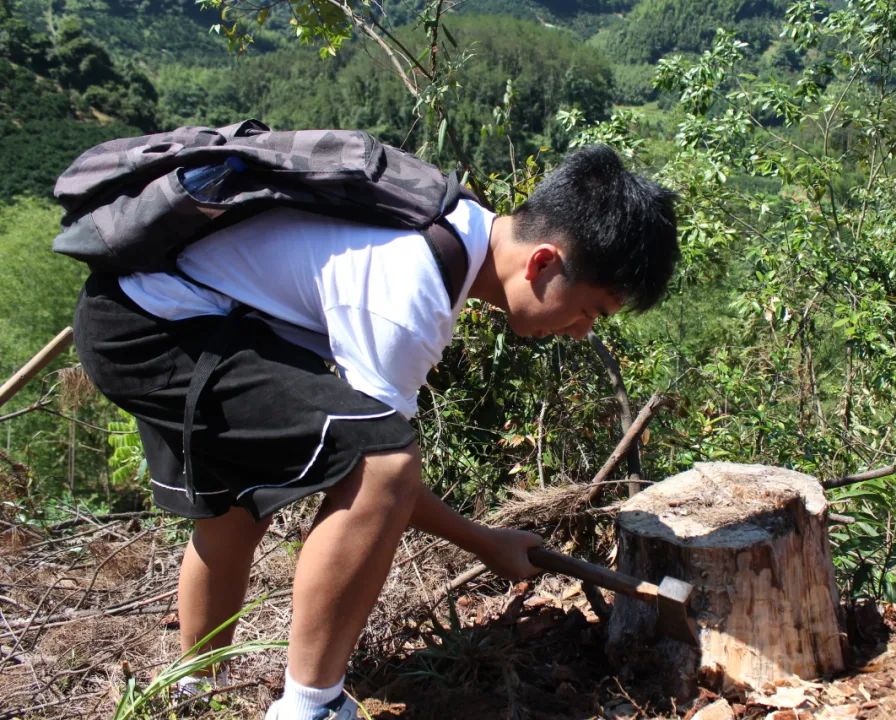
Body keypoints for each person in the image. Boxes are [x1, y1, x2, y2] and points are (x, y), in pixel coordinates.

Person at [72, 142, 679, 720]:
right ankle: (310, 706)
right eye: (588, 312)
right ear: (544, 261)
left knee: (238, 499)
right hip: (155, 328)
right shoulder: (407, 291)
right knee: (383, 460)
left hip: (177, 309)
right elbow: (383, 477)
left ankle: (196, 690)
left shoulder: (459, 220)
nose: (579, 332)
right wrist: (484, 540)